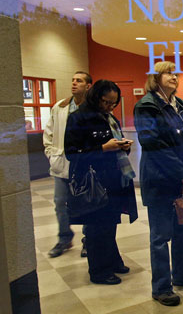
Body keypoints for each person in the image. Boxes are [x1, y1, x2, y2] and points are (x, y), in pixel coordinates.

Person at [134, 61, 183, 307]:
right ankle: (162, 287)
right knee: (160, 236)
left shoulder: (181, 105)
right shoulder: (146, 106)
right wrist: (180, 172)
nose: (174, 76)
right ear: (155, 78)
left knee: (182, 230)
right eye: (168, 72)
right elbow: (153, 145)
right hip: (160, 180)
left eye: (175, 73)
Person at [64, 79, 138, 285]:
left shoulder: (110, 118)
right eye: (106, 102)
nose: (110, 106)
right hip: (93, 182)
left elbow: (115, 142)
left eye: (114, 103)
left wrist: (123, 146)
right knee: (96, 228)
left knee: (110, 224)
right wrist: (104, 148)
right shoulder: (78, 118)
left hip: (113, 178)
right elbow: (71, 153)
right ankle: (99, 271)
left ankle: (113, 261)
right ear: (96, 97)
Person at [43, 71, 92, 258]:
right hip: (60, 163)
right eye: (72, 80)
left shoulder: (92, 108)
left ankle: (88, 239)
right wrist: (50, 152)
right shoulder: (60, 107)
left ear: (88, 86)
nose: (73, 83)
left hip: (84, 164)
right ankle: (64, 238)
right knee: (59, 202)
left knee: (87, 202)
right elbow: (48, 133)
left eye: (78, 81)